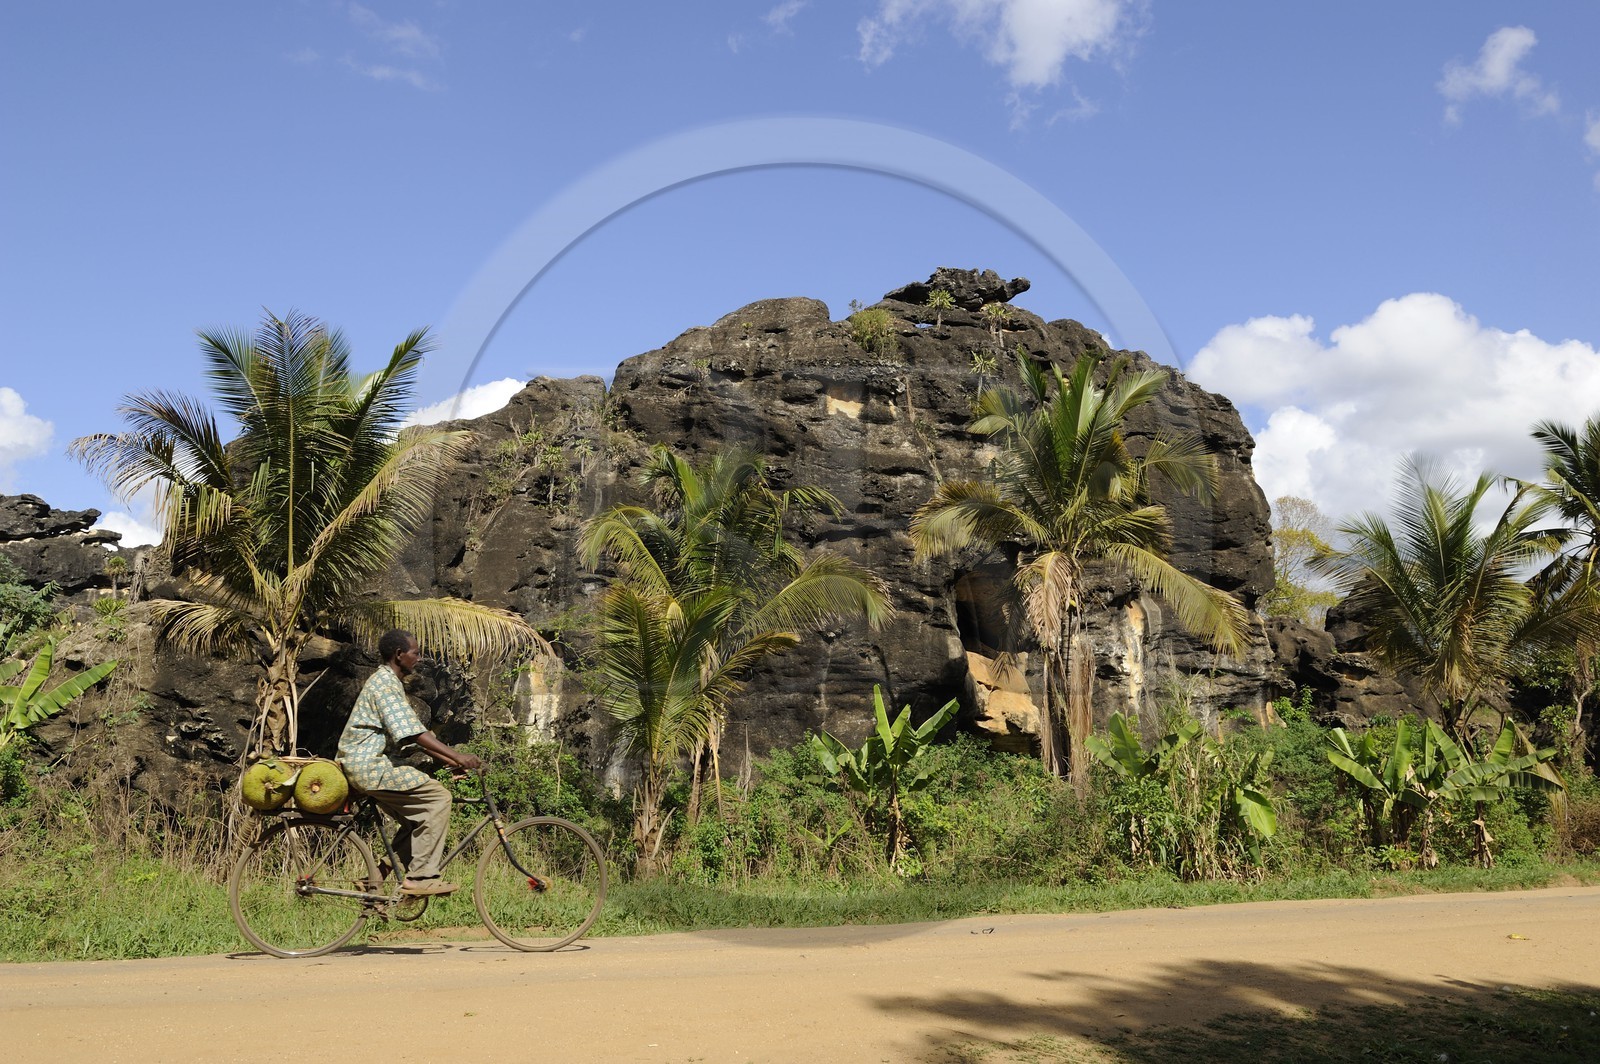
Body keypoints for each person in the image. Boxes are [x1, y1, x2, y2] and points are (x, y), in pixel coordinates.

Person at [337, 629, 482, 896]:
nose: (419, 657)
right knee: (438, 799)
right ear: (399, 654)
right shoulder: (385, 684)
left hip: (370, 765)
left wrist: (450, 759)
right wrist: (457, 755)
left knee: (416, 818)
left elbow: (411, 737)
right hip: (369, 766)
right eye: (415, 653)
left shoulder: (388, 682)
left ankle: (376, 878)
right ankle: (421, 877)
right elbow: (413, 733)